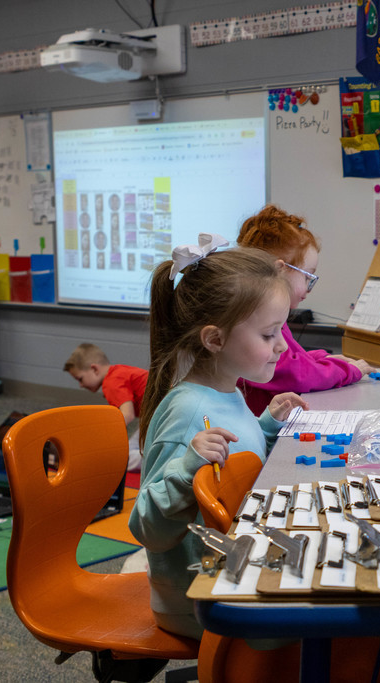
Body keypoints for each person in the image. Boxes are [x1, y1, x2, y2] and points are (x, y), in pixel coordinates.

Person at [129, 236, 307, 638]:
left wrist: (266, 426)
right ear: (215, 340)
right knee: (327, 621)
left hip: (226, 574)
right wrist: (185, 470)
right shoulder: (188, 413)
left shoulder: (226, 390)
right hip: (198, 602)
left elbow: (234, 466)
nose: (282, 346)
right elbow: (146, 529)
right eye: (269, 335)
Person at [235, 205, 374, 415]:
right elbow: (294, 373)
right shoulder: (254, 318)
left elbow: (292, 358)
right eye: (307, 277)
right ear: (279, 270)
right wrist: (348, 371)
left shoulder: (271, 317)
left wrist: (323, 359)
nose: (309, 287)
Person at [63, 342, 148, 471]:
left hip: (164, 412)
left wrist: (102, 437)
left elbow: (127, 415)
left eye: (80, 379)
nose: (81, 385)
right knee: (130, 449)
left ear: (94, 369)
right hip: (160, 411)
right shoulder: (118, 372)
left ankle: (163, 459)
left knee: (123, 459)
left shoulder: (111, 382)